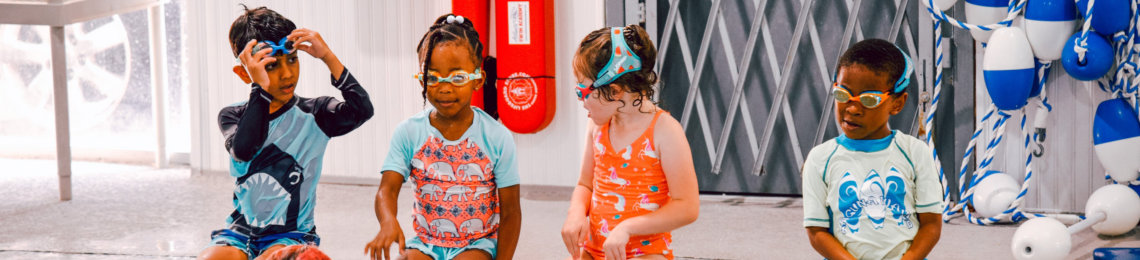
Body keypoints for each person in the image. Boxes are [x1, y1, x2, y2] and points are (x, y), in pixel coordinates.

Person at [199, 5, 374, 260]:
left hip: (291, 234)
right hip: (239, 233)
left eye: (292, 60)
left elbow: (362, 110)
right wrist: (260, 88)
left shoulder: (316, 114)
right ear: (243, 73)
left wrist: (327, 56)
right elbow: (245, 150)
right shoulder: (232, 115)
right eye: (271, 66)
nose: (287, 73)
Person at [364, 14, 521, 260]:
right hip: (425, 243)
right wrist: (387, 221)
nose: (444, 87)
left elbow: (511, 211)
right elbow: (387, 190)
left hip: (477, 244)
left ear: (477, 79)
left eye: (457, 77)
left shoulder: (496, 137)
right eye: (432, 77)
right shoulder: (409, 132)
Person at [560, 25, 700, 260]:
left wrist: (628, 227)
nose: (581, 100)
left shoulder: (665, 132)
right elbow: (585, 184)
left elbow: (687, 206)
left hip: (645, 252)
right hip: (595, 250)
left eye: (582, 90)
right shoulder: (597, 125)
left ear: (614, 91)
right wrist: (575, 214)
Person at [801, 38, 942, 260]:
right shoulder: (820, 159)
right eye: (843, 95)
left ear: (897, 103)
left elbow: (931, 225)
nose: (853, 108)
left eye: (869, 100)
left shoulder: (915, 153)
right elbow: (817, 232)